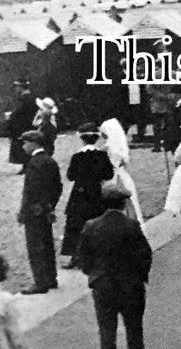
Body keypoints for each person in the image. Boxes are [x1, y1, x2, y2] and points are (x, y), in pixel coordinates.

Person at [75, 186, 153, 349]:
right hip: (130, 285)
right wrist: (140, 275)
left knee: (106, 330)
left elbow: (82, 258)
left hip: (103, 285)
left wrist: (93, 275)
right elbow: (145, 254)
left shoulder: (90, 226)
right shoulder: (131, 226)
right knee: (133, 324)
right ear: (123, 204)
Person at [61, 122, 114, 269]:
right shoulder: (102, 155)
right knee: (97, 221)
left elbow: (70, 176)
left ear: (82, 139)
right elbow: (109, 174)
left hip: (80, 192)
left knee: (76, 223)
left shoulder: (77, 156)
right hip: (96, 192)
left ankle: (75, 256)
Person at [17, 131, 59, 294]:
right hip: (47, 209)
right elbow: (57, 187)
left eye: (25, 142)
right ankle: (51, 278)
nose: (23, 146)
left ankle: (40, 282)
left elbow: (31, 191)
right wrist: (50, 205)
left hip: (34, 211)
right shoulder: (50, 161)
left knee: (36, 247)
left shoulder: (34, 163)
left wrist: (25, 211)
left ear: (34, 143)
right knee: (47, 244)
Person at [100, 118, 144, 229]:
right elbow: (124, 163)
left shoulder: (107, 148)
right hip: (123, 175)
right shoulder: (121, 147)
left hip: (113, 176)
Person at [7, 79, 37, 172]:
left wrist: (12, 118)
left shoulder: (25, 99)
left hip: (24, 127)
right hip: (26, 126)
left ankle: (27, 165)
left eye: (17, 86)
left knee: (24, 145)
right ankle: (26, 165)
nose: (15, 89)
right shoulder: (29, 98)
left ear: (21, 87)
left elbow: (22, 114)